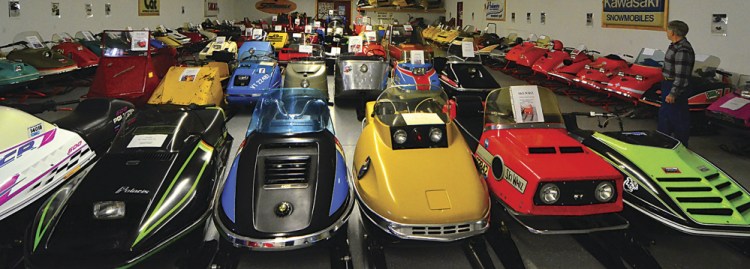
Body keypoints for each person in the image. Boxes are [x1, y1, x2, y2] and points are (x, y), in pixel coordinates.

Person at [659, 20, 695, 147]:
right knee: (665, 118)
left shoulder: (683, 50)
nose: (666, 32)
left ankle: (681, 146)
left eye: (668, 30)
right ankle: (664, 143)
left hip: (675, 87)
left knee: (678, 119)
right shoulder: (674, 46)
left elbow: (681, 76)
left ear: (673, 32)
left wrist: (673, 93)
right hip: (667, 84)